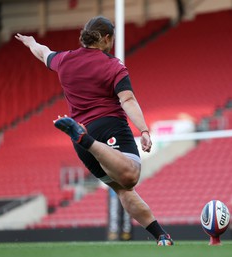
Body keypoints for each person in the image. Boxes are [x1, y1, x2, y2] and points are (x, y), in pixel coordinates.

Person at [15, 15, 173, 246]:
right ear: (107, 38)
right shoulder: (112, 65)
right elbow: (127, 98)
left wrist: (31, 43)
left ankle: (161, 236)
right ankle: (85, 138)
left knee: (122, 190)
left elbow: (43, 52)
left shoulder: (64, 60)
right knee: (130, 176)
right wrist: (144, 130)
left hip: (82, 143)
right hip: (107, 127)